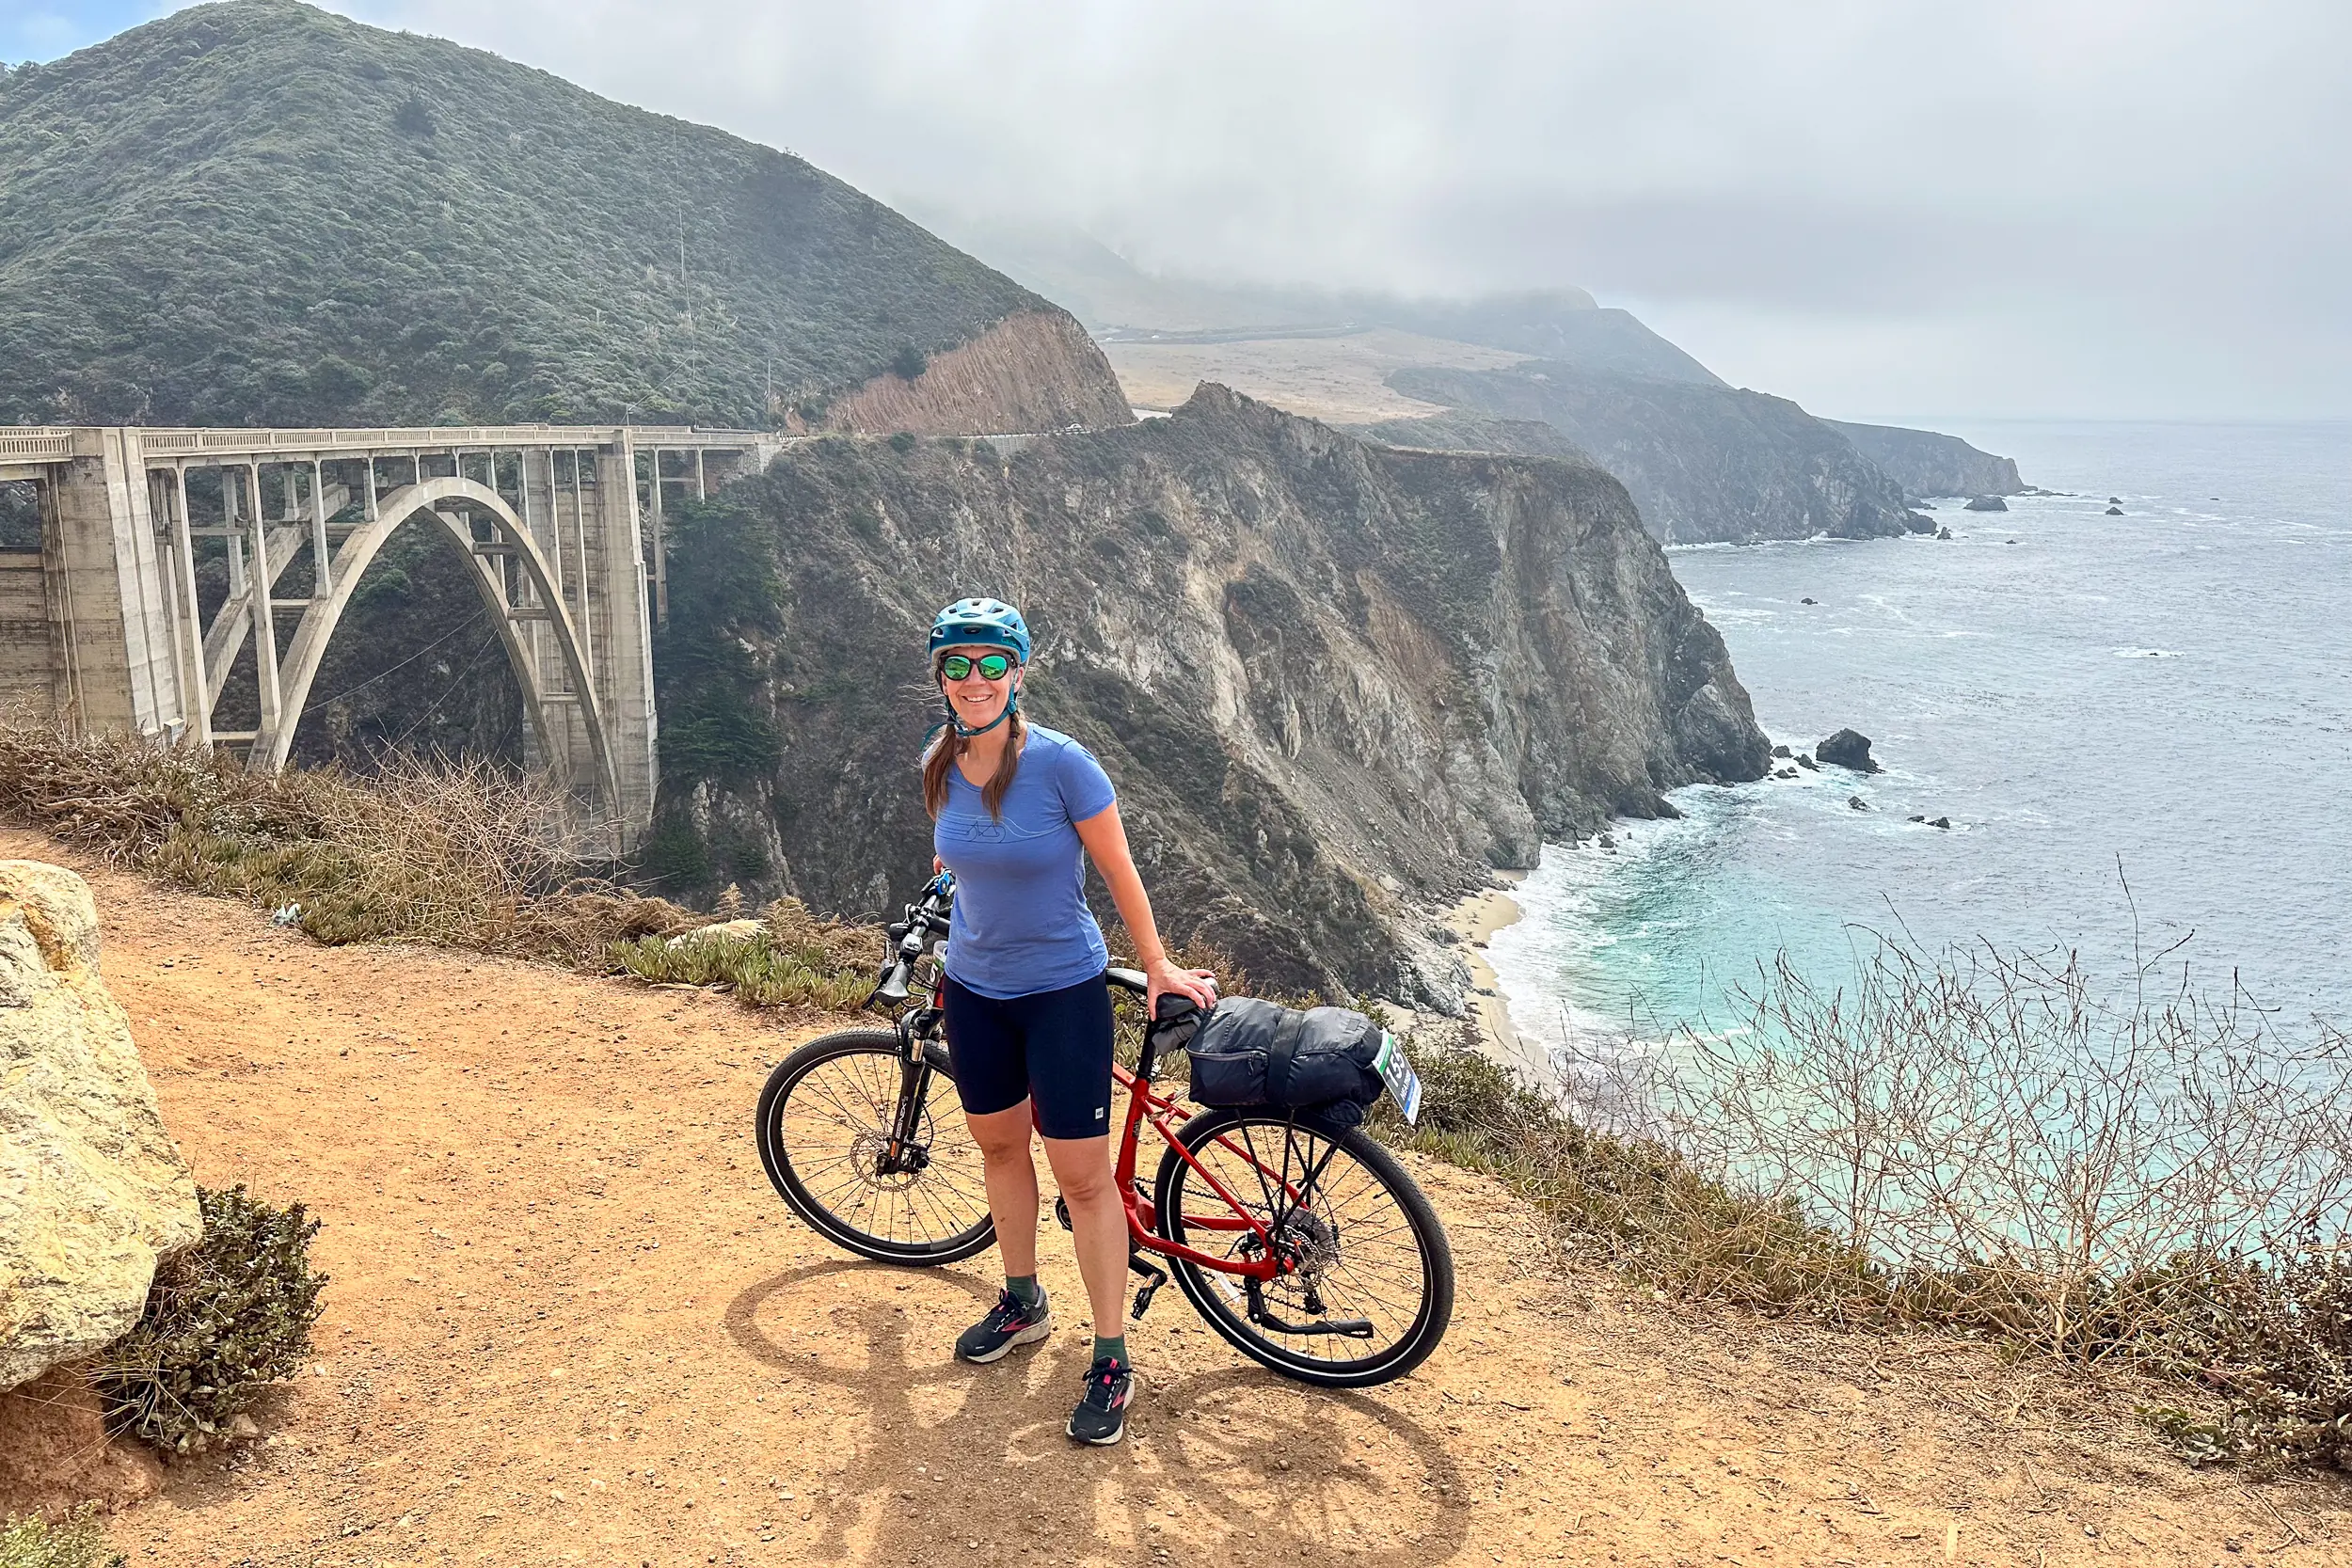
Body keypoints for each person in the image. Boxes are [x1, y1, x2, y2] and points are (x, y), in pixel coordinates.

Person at [920, 596, 1217, 1447]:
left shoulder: (1063, 765)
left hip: (1063, 991)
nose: (974, 681)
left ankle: (1113, 1356)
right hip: (974, 989)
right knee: (1000, 1148)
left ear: (1017, 673)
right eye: (958, 665)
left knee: (1084, 1180)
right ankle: (1022, 1300)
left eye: (991, 665)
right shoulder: (938, 759)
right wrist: (943, 892)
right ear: (941, 676)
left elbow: (1119, 869)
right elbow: (952, 855)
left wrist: (1157, 963)